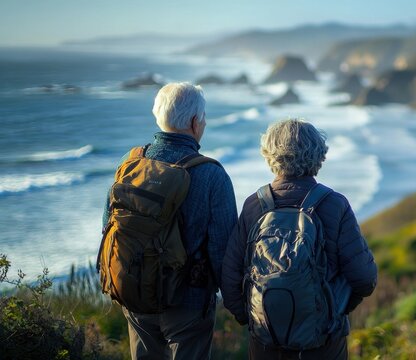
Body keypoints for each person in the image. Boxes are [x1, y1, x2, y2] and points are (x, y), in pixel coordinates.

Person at [100, 82, 237, 359]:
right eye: (204, 118)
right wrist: (238, 305)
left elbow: (108, 225)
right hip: (188, 302)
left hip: (135, 291)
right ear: (195, 122)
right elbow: (223, 250)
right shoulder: (211, 175)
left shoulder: (131, 162)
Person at [222, 118, 377, 359]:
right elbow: (365, 278)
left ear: (270, 155)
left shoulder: (254, 205)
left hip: (265, 342)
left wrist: (255, 320)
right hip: (323, 343)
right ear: (318, 155)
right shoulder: (334, 205)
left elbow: (230, 278)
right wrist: (333, 312)